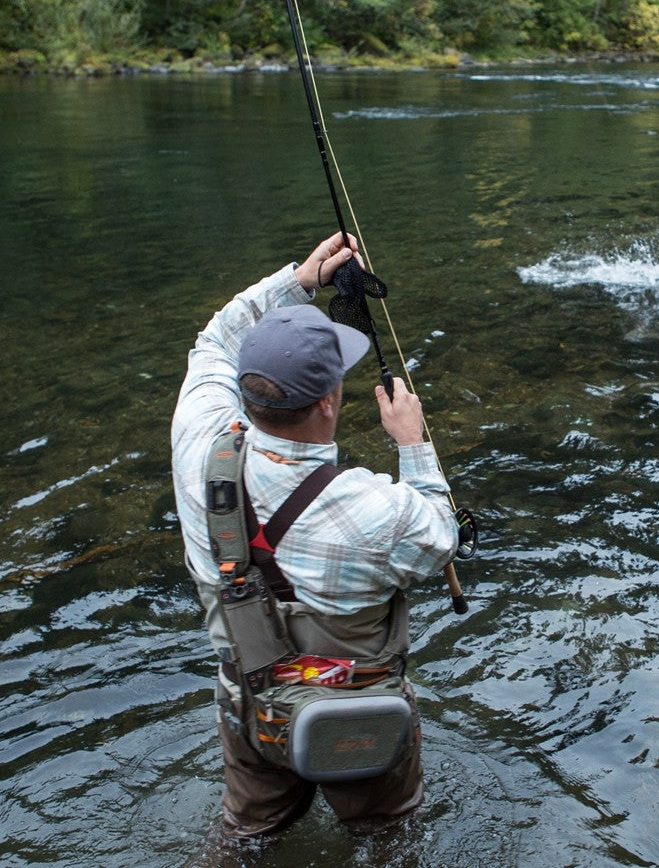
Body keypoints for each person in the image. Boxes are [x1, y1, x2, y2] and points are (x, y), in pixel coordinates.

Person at [170, 230, 459, 840]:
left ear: (245, 385)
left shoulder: (198, 440)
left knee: (244, 838)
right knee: (389, 835)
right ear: (329, 401)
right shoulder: (374, 509)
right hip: (357, 716)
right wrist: (413, 444)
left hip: (249, 706)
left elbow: (213, 341)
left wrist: (297, 283)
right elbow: (440, 536)